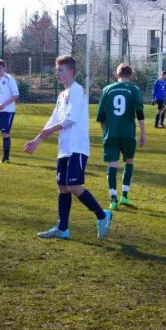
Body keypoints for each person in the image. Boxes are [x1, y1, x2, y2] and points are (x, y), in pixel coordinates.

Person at [23, 55, 112, 240]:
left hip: (77, 148)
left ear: (71, 71)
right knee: (62, 186)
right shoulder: (62, 95)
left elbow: (70, 120)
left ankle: (102, 215)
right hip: (64, 149)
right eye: (56, 70)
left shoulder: (77, 90)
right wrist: (36, 140)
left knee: (73, 185)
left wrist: (48, 132)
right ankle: (62, 229)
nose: (57, 73)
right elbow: (53, 120)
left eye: (60, 70)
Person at [96, 63, 146, 210]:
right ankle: (124, 195)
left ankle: (113, 199)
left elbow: (101, 117)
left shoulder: (107, 90)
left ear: (116, 75)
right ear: (131, 75)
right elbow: (139, 113)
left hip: (111, 133)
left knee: (112, 164)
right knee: (129, 161)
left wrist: (105, 132)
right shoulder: (134, 89)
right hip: (128, 133)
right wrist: (143, 133)